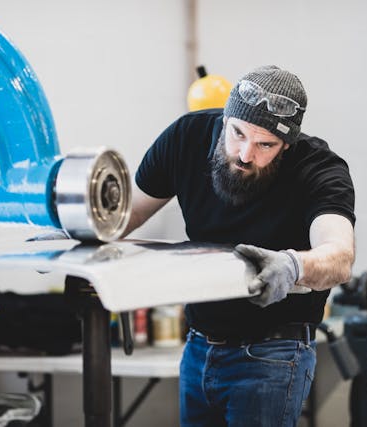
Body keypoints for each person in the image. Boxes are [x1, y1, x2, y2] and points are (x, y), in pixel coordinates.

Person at [124, 65, 355, 427]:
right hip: (199, 346)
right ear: (225, 119)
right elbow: (127, 215)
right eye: (237, 134)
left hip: (273, 356)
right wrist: (75, 238)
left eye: (266, 145)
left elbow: (339, 255)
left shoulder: (319, 168)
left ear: (287, 145)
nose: (246, 154)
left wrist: (293, 265)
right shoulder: (187, 137)